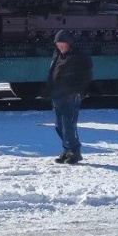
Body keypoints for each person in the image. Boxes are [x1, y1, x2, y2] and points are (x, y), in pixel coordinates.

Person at [46, 30, 93, 164]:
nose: (59, 48)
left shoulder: (79, 56)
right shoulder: (58, 55)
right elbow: (53, 72)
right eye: (58, 45)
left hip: (70, 96)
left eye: (62, 45)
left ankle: (75, 151)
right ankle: (67, 150)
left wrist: (79, 91)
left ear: (69, 43)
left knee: (68, 125)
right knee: (59, 125)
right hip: (57, 94)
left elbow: (86, 76)